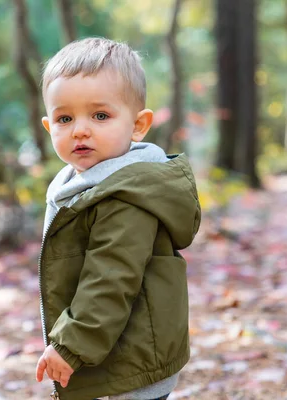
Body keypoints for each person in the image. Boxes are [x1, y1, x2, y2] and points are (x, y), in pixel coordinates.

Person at [34, 37, 201, 400]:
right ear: (50, 128)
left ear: (138, 125)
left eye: (100, 115)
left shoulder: (125, 194)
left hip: (132, 355)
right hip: (108, 347)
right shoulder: (75, 184)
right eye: (65, 118)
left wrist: (70, 344)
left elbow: (111, 278)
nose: (80, 129)